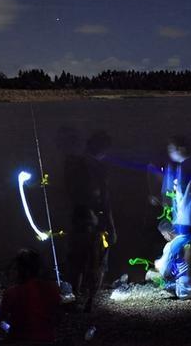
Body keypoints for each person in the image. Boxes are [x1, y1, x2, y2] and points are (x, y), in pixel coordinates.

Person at [149, 136, 191, 299]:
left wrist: (174, 209)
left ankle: (178, 279)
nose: (170, 153)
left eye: (171, 149)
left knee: (180, 246)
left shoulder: (185, 166)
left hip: (186, 215)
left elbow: (182, 192)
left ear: (181, 149)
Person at [64, 130, 116, 312]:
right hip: (95, 221)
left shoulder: (72, 165)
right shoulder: (99, 168)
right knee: (97, 261)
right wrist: (110, 225)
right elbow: (105, 198)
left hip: (76, 219)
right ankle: (90, 300)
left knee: (77, 261)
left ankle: (75, 296)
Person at [0, 248, 61, 344]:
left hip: (18, 340)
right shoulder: (53, 288)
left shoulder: (13, 292)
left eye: (16, 268)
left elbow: (1, 319)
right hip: (47, 340)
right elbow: (57, 317)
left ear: (22, 270)